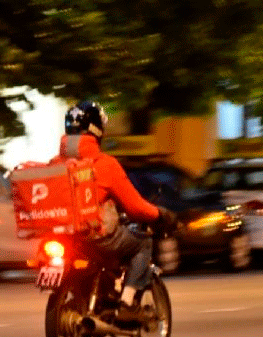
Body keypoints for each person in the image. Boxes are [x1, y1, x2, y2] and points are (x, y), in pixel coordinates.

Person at [52, 100, 179, 322]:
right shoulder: (105, 164)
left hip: (64, 238)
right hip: (94, 237)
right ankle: (127, 302)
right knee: (142, 242)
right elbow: (135, 207)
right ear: (98, 130)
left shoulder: (54, 163)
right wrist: (161, 215)